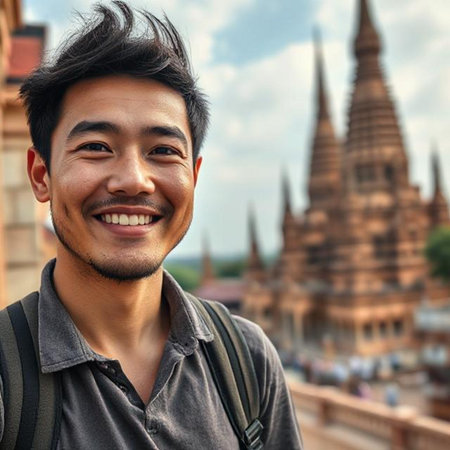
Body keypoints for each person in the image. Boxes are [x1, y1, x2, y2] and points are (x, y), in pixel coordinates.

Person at [0, 1, 303, 448]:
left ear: (194, 178)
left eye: (163, 151)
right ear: (41, 175)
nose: (134, 181)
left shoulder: (246, 360)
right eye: (97, 146)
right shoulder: (8, 386)